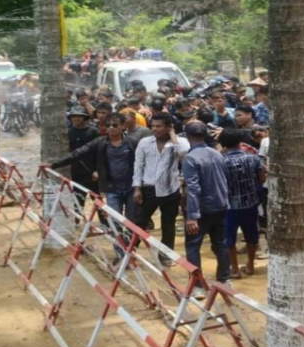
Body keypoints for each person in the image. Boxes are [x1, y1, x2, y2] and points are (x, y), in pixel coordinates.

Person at [49, 112, 139, 220]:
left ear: (123, 126)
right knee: (115, 220)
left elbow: (142, 164)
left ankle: (131, 237)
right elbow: (78, 153)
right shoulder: (100, 142)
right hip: (112, 189)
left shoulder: (133, 143)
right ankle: (118, 236)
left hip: (131, 188)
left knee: (133, 220)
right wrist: (53, 165)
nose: (111, 128)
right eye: (108, 125)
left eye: (115, 125)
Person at [181, 122, 231, 298]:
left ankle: (198, 286)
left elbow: (193, 188)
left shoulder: (191, 158)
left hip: (202, 209)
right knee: (221, 244)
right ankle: (225, 280)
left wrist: (192, 216)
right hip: (221, 205)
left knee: (193, 246)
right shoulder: (217, 154)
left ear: (187, 136)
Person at [132, 112, 189, 256]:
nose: (155, 129)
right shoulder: (144, 142)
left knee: (168, 225)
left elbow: (184, 155)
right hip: (148, 189)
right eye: (153, 126)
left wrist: (173, 137)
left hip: (171, 190)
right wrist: (137, 188)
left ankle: (165, 256)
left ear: (169, 127)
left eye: (159, 126)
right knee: (139, 223)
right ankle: (128, 253)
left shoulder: (179, 142)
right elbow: (138, 166)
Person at [220, 129, 266, 279]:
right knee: (252, 236)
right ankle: (250, 265)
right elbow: (262, 178)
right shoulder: (252, 158)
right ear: (239, 142)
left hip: (229, 206)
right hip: (250, 204)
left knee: (229, 238)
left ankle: (234, 269)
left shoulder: (220, 161)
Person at [65, 106, 101, 191]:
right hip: (76, 170)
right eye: (73, 116)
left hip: (91, 169)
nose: (76, 119)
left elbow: (99, 152)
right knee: (78, 197)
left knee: (96, 198)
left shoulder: (93, 131)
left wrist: (97, 170)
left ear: (84, 117)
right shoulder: (69, 132)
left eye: (79, 116)